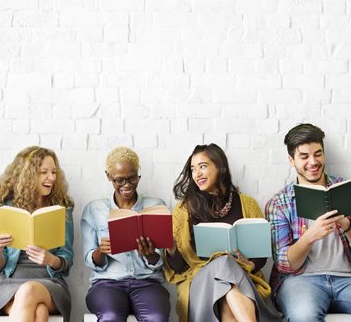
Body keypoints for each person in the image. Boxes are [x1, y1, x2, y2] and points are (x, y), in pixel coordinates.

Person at [164, 143, 281, 322]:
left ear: (221, 167)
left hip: (241, 280)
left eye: (203, 166)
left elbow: (260, 256)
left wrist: (247, 263)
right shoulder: (183, 210)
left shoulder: (247, 204)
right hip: (201, 286)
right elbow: (180, 268)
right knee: (223, 262)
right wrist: (171, 248)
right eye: (193, 169)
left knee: (227, 289)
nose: (197, 174)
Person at [266, 123, 351, 321]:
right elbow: (285, 265)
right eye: (304, 156)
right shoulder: (279, 203)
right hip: (301, 281)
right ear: (291, 160)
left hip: (347, 278)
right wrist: (310, 236)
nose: (313, 162)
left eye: (318, 154)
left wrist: (346, 226)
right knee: (304, 316)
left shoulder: (346, 189)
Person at [81, 147, 171, 322]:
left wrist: (150, 254)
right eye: (119, 180)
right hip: (107, 283)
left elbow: (160, 260)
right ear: (108, 177)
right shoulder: (94, 209)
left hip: (147, 282)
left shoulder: (155, 206)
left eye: (132, 178)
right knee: (110, 316)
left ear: (138, 174)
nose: (127, 185)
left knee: (156, 317)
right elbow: (89, 259)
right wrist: (101, 251)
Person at [0, 146, 74, 322]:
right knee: (39, 312)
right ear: (28, 175)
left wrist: (51, 260)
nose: (51, 178)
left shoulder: (61, 210)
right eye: (44, 172)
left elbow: (67, 261)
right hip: (11, 285)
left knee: (29, 290)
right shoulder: (3, 209)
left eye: (54, 172)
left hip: (51, 283)